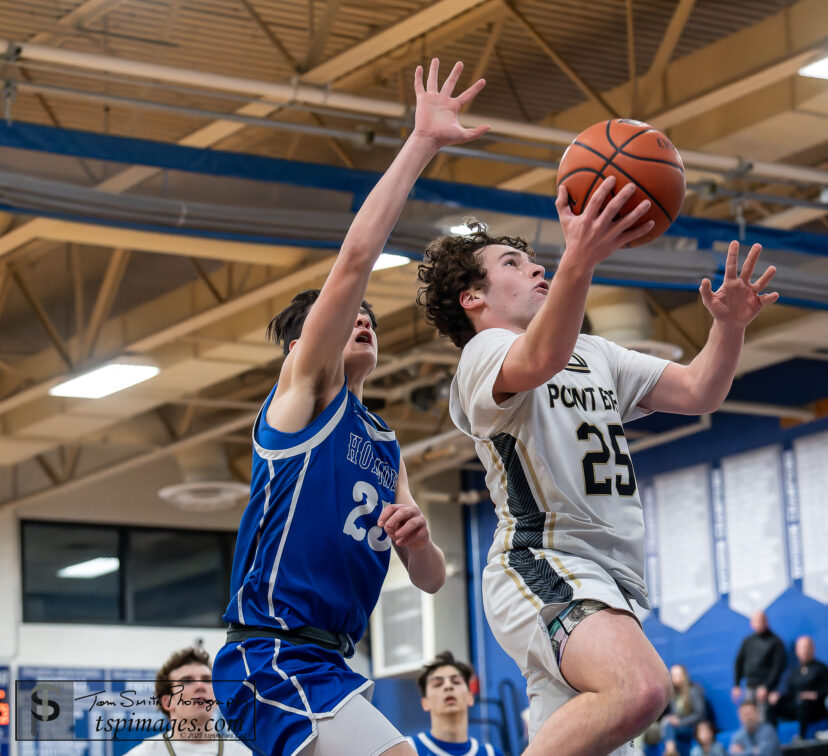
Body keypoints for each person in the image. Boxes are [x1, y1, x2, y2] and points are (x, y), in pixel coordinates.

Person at [416, 179, 778, 756]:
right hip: (543, 562)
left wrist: (728, 326)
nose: (537, 269)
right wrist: (579, 258)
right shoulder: (483, 353)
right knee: (640, 688)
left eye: (540, 262)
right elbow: (540, 356)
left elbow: (700, 390)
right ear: (473, 300)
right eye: (514, 263)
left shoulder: (595, 353)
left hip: (612, 580)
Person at [211, 59, 489, 756]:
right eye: (347, 316)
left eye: (371, 316)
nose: (362, 318)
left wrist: (420, 542)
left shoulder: (384, 441)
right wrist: (421, 143)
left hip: (327, 661)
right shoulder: (302, 400)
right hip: (272, 656)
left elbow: (431, 582)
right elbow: (357, 257)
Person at [126, 646, 251, 754]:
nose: (200, 686)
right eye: (187, 681)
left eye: (207, 680)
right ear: (167, 702)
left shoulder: (243, 754)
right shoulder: (144, 753)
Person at [407, 651, 505, 756]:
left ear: (470, 697)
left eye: (456, 682)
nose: (448, 686)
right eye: (438, 684)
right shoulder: (407, 749)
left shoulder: (491, 754)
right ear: (425, 703)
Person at [767, 636, 828, 740]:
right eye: (801, 648)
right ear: (797, 651)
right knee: (772, 706)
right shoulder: (793, 671)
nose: (804, 651)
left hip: (815, 707)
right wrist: (777, 694)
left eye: (807, 647)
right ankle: (771, 739)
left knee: (803, 703)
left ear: (813, 649)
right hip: (796, 707)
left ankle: (801, 737)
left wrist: (815, 694)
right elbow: (786, 689)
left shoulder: (822, 668)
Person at [732, 612, 786, 713]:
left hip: (767, 689)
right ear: (751, 623)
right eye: (755, 621)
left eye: (760, 621)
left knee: (763, 719)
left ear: (766, 622)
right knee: (749, 716)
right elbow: (738, 662)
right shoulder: (748, 641)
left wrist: (767, 687)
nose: (758, 624)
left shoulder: (775, 642)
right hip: (749, 686)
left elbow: (778, 668)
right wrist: (736, 685)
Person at [647, 665, 707, 756]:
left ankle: (671, 752)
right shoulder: (673, 694)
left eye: (678, 675)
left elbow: (700, 714)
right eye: (673, 675)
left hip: (690, 727)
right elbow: (670, 714)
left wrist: (680, 722)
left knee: (669, 726)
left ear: (684, 675)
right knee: (664, 724)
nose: (675, 678)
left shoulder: (694, 690)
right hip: (676, 728)